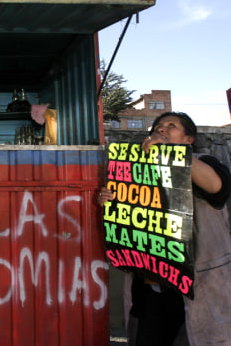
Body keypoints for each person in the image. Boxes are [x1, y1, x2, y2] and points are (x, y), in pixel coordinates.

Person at [98, 112, 231, 346]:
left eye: (172, 126)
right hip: (150, 290)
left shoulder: (203, 161)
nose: (162, 129)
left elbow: (215, 186)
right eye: (158, 127)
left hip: (197, 289)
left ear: (189, 139)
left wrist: (167, 153)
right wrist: (110, 200)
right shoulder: (136, 171)